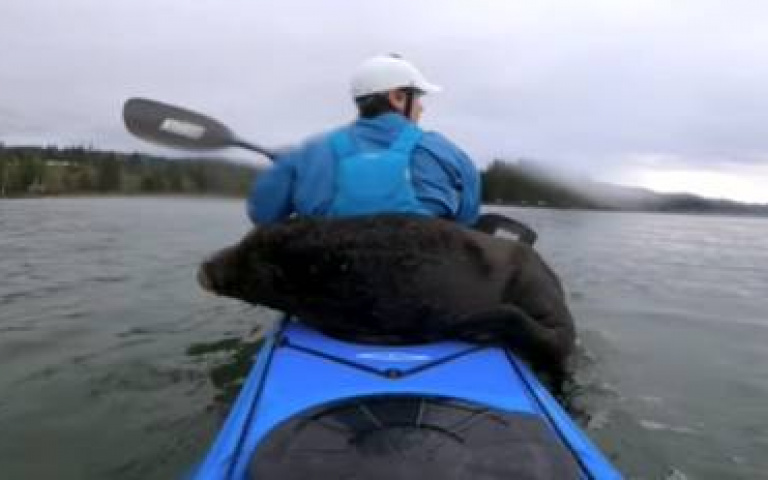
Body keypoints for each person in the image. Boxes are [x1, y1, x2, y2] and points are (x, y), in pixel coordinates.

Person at [246, 54, 481, 226]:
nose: (422, 107)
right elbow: (467, 222)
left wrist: (285, 169)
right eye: (417, 97)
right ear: (398, 98)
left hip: (333, 284)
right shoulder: (449, 155)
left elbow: (263, 214)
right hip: (417, 285)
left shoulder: (307, 154)